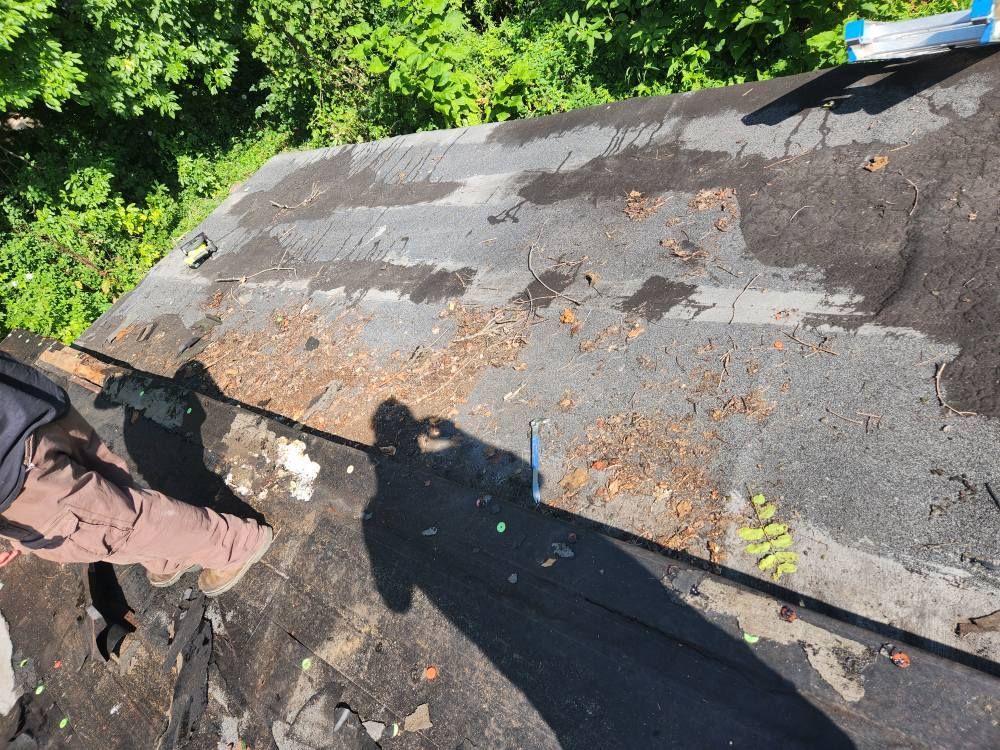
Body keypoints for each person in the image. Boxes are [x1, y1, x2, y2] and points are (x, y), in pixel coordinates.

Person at [0, 351, 271, 596]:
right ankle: (168, 555)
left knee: (116, 526)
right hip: (25, 402)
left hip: (14, 472)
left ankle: (233, 546)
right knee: (111, 490)